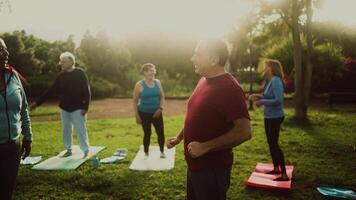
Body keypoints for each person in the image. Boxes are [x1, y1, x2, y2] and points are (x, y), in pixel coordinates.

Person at [166, 39, 252, 200]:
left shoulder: (230, 88)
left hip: (212, 170)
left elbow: (244, 131)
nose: (192, 58)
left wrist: (206, 147)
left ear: (214, 59)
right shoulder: (204, 80)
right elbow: (197, 116)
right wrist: (179, 138)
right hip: (195, 166)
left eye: (197, 54)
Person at [30, 52, 90, 158]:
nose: (61, 64)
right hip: (64, 108)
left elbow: (86, 90)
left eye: (64, 62)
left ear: (71, 62)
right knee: (66, 129)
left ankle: (85, 151)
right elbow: (51, 91)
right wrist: (37, 103)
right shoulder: (61, 76)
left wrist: (85, 107)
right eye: (60, 61)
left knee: (80, 129)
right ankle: (68, 149)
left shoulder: (80, 73)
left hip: (78, 108)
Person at [0, 38, 32, 200]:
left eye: (5, 49)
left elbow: (24, 108)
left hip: (13, 147)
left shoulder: (13, 76)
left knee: (6, 193)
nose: (6, 53)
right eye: (0, 50)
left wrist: (28, 137)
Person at [249, 59, 289, 181]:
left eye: (266, 67)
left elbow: (278, 100)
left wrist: (261, 101)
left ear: (271, 68)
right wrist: (259, 96)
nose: (264, 69)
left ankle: (284, 174)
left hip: (276, 117)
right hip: (269, 116)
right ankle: (276, 168)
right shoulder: (270, 81)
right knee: (271, 144)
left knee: (274, 144)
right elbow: (269, 96)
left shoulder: (276, 81)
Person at [133, 63, 166, 158]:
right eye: (150, 71)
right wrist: (137, 115)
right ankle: (146, 153)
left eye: (153, 70)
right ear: (145, 72)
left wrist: (160, 109)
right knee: (147, 133)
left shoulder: (157, 82)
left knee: (160, 132)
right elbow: (135, 101)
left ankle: (162, 151)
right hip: (144, 113)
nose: (153, 72)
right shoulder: (139, 85)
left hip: (157, 112)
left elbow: (162, 97)